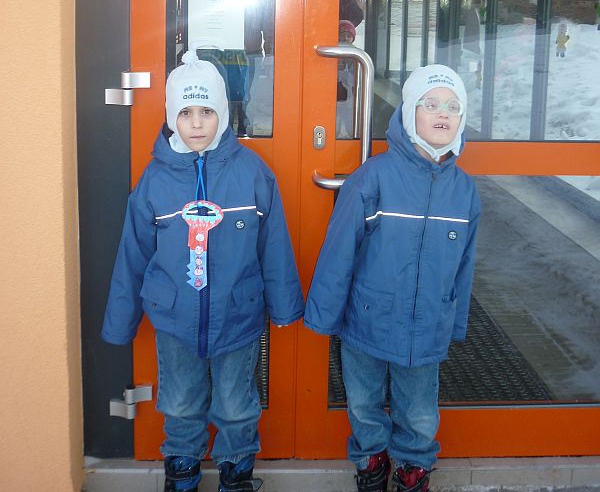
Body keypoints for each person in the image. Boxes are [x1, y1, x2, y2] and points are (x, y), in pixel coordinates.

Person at [102, 49, 305, 492]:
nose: (196, 124)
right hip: (175, 319)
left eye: (207, 112)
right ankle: (182, 469)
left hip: (238, 315)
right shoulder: (154, 181)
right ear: (171, 116)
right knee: (179, 402)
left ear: (224, 114)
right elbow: (133, 254)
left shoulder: (252, 174)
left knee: (236, 404)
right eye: (186, 113)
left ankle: (236, 471)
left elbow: (273, 245)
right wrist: (121, 321)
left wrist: (285, 305)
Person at [304, 65, 480, 492]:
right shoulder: (374, 177)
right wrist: (324, 315)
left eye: (453, 107)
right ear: (408, 113)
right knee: (364, 402)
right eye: (431, 104)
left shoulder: (464, 191)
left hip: (427, 326)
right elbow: (339, 252)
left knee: (418, 409)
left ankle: (413, 467)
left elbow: (464, 264)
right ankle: (371, 459)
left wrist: (454, 321)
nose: (443, 113)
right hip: (368, 319)